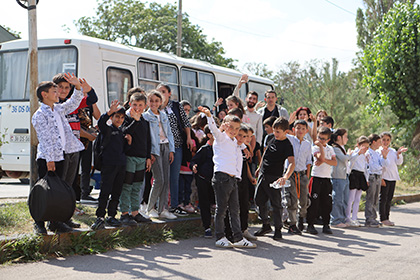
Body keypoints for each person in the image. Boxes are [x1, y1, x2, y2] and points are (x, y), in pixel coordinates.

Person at [31, 75, 84, 234]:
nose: (58, 93)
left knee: (58, 191)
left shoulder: (59, 109)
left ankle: (55, 222)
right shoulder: (40, 115)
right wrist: (49, 160)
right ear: (44, 95)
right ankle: (39, 223)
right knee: (43, 190)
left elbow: (73, 102)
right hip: (47, 158)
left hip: (61, 155)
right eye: (54, 91)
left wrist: (78, 87)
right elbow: (44, 139)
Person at [198, 106, 256, 248]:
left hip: (233, 179)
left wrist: (245, 149)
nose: (234, 131)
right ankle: (220, 236)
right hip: (221, 178)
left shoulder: (234, 141)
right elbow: (213, 129)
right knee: (221, 209)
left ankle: (238, 238)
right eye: (231, 127)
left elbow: (240, 144)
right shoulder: (221, 137)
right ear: (224, 124)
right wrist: (209, 116)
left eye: (237, 129)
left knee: (234, 210)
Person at [91, 101, 132, 230]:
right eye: (116, 117)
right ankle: (100, 217)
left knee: (116, 192)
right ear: (112, 118)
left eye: (121, 117)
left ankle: (112, 216)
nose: (119, 120)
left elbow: (124, 150)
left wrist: (128, 143)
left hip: (121, 165)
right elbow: (100, 123)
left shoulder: (121, 133)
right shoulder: (107, 129)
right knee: (105, 191)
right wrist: (108, 112)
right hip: (109, 165)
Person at [253, 117, 295, 240]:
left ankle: (278, 229)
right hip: (263, 175)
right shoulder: (271, 138)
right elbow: (265, 154)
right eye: (274, 130)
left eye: (278, 132)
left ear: (286, 132)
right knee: (258, 200)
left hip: (275, 177)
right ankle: (265, 224)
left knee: (276, 204)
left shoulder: (287, 145)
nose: (275, 134)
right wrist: (259, 168)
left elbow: (292, 163)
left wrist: (285, 176)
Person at [158, 84, 193, 216]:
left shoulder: (176, 106)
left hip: (177, 145)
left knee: (174, 176)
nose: (161, 94)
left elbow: (185, 122)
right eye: (159, 91)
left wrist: (189, 137)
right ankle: (160, 205)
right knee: (161, 177)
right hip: (161, 146)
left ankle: (174, 205)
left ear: (169, 93)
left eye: (163, 91)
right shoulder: (156, 106)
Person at [143, 90, 176, 220]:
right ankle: (150, 208)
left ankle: (163, 209)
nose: (154, 103)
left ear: (161, 102)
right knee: (159, 179)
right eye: (151, 101)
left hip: (165, 146)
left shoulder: (163, 115)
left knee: (166, 179)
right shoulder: (146, 116)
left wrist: (171, 150)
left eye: (156, 101)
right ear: (147, 102)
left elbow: (170, 133)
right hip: (154, 149)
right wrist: (149, 152)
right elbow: (146, 136)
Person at [119, 92, 152, 225]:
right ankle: (124, 213)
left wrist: (148, 157)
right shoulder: (127, 118)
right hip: (129, 157)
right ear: (130, 105)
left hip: (141, 158)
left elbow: (148, 140)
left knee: (137, 186)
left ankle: (135, 212)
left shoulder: (145, 121)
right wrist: (135, 120)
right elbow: (125, 132)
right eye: (134, 105)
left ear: (145, 106)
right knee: (127, 185)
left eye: (140, 105)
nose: (137, 108)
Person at [224, 125, 258, 242]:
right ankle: (228, 232)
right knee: (231, 206)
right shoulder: (230, 145)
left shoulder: (245, 147)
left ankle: (244, 230)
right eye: (240, 135)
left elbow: (246, 164)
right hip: (231, 178)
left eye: (245, 136)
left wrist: (250, 177)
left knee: (245, 205)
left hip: (243, 180)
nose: (242, 138)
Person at [306, 126, 337, 235]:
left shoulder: (330, 148)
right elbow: (321, 158)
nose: (321, 140)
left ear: (328, 140)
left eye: (324, 139)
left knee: (327, 202)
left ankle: (326, 224)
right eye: (319, 137)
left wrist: (325, 160)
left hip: (327, 178)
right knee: (314, 202)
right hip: (316, 177)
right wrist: (320, 148)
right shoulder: (315, 147)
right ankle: (310, 224)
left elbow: (335, 162)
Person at [285, 120, 312, 234]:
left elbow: (308, 161)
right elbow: (283, 130)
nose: (300, 131)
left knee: (304, 200)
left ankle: (301, 218)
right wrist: (290, 120)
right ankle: (292, 223)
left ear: (306, 131)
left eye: (302, 129)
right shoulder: (290, 139)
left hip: (302, 174)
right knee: (292, 199)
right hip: (291, 174)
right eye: (298, 128)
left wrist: (307, 176)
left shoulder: (307, 144)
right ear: (293, 129)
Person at [190, 125, 216, 238]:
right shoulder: (204, 149)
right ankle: (207, 227)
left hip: (217, 180)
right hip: (203, 179)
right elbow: (194, 161)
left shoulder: (222, 148)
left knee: (217, 204)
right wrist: (194, 166)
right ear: (209, 135)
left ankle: (222, 227)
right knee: (204, 204)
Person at [379, 132, 407, 226]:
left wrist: (399, 154)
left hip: (392, 177)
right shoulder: (379, 151)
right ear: (380, 140)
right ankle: (383, 218)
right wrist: (381, 178)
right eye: (384, 140)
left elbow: (399, 162)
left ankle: (387, 217)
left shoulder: (392, 151)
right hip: (384, 178)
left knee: (389, 198)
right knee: (383, 198)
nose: (386, 142)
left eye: (388, 140)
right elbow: (380, 165)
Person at [364, 133, 387, 227]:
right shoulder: (368, 153)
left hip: (378, 176)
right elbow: (371, 166)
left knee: (376, 198)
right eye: (378, 142)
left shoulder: (378, 153)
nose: (380, 144)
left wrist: (384, 156)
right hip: (372, 176)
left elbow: (384, 164)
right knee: (371, 197)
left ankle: (374, 217)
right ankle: (369, 219)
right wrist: (379, 168)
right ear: (373, 142)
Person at [330, 129, 352, 228]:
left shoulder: (341, 148)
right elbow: (344, 158)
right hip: (338, 176)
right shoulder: (335, 148)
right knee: (338, 199)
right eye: (345, 136)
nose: (347, 138)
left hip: (344, 176)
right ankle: (335, 220)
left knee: (344, 199)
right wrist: (349, 155)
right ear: (339, 137)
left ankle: (342, 219)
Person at [346, 136, 369, 227]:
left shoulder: (365, 155)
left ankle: (355, 218)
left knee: (357, 198)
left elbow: (365, 168)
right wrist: (358, 153)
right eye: (363, 146)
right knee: (351, 198)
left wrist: (366, 179)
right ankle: (348, 217)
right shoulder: (354, 153)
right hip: (354, 175)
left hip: (361, 175)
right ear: (358, 145)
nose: (365, 149)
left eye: (367, 147)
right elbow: (350, 161)